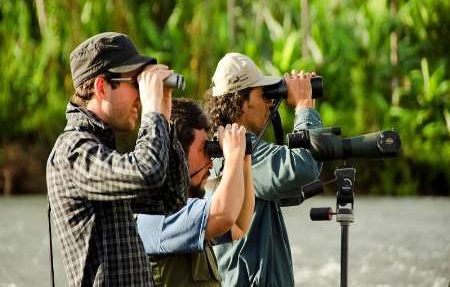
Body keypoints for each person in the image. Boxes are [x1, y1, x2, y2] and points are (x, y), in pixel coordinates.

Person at [46, 32, 187, 286]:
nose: (141, 97)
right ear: (101, 87)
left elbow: (171, 199)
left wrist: (164, 121)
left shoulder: (106, 150)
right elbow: (148, 171)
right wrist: (152, 112)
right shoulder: (73, 152)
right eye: (135, 83)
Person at [203, 53, 323, 286]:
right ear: (242, 101)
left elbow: (292, 184)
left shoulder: (220, 147)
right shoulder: (241, 152)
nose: (270, 102)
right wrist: (304, 106)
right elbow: (305, 166)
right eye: (264, 95)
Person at [137, 98, 254, 286]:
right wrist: (233, 156)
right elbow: (224, 215)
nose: (210, 160)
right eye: (204, 150)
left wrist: (243, 159)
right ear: (178, 154)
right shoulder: (157, 213)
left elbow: (240, 224)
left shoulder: (189, 210)